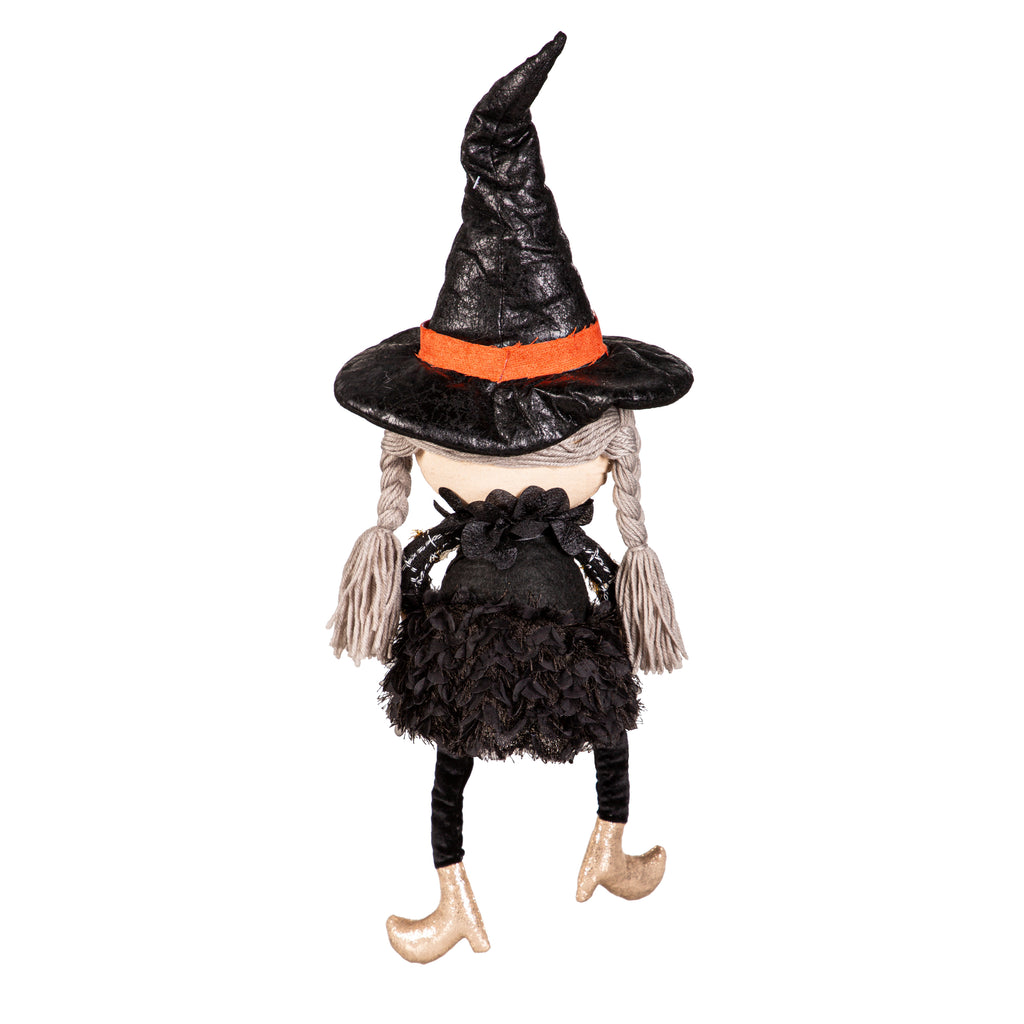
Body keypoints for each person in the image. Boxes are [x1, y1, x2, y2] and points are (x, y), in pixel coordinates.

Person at [329, 33, 693, 963]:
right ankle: (454, 893)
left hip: (547, 622)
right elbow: (413, 557)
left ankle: (608, 842)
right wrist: (400, 587)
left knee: (604, 721)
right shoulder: (529, 499)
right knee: (455, 749)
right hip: (473, 627)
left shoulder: (584, 489)